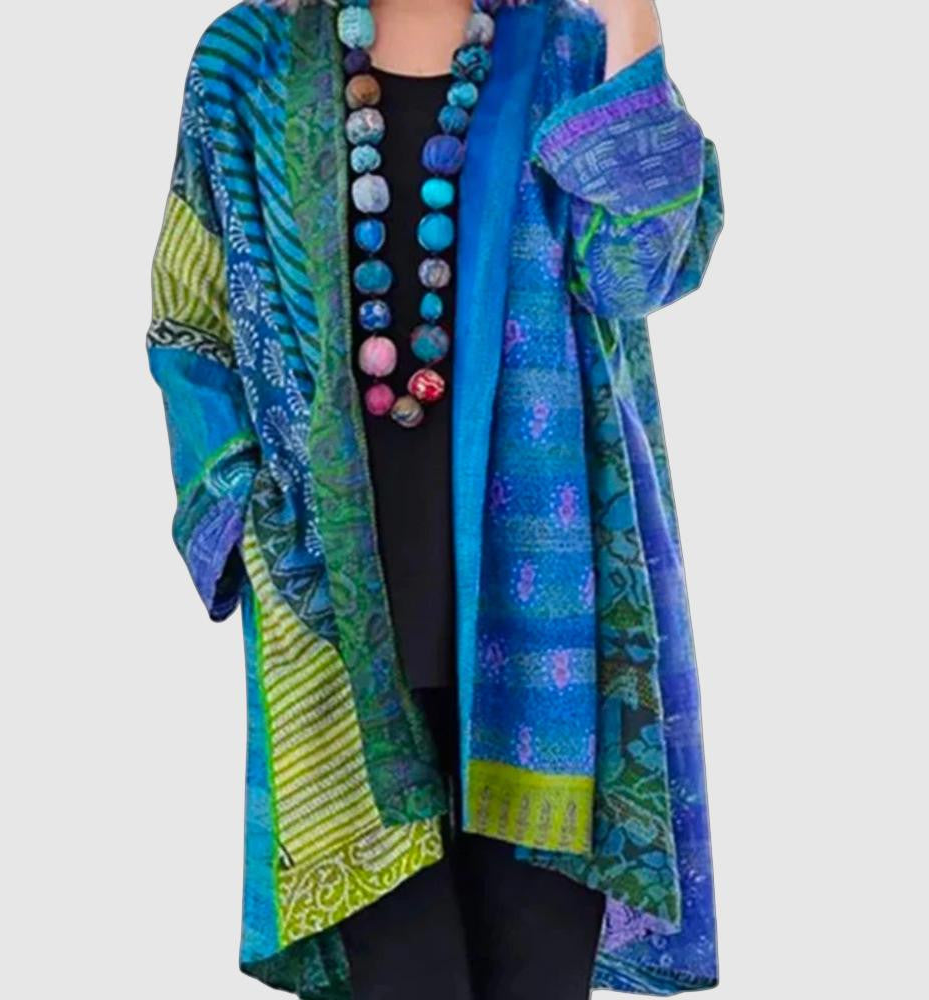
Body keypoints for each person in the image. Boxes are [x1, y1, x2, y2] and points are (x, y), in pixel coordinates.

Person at [146, 1, 723, 997]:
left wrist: (633, 16)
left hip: (550, 648)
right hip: (337, 635)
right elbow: (188, 325)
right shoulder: (247, 62)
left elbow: (638, 270)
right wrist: (249, 521)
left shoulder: (569, 48)